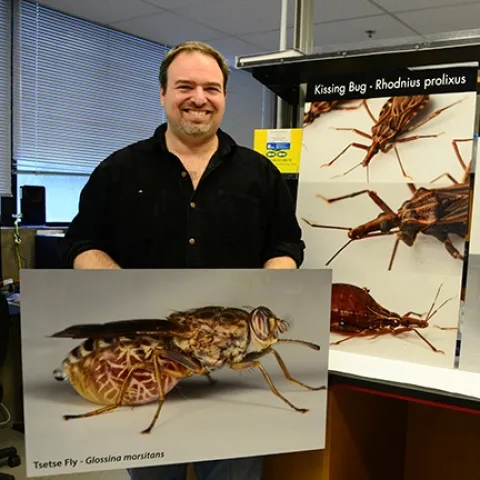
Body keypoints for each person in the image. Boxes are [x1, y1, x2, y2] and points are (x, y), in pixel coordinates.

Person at [61, 40, 305, 480]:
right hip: (153, 373)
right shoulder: (118, 170)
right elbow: (79, 242)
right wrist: (118, 282)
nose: (198, 98)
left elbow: (287, 245)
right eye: (185, 86)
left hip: (233, 387)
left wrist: (273, 287)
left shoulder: (261, 175)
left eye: (211, 88)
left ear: (225, 97)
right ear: (163, 94)